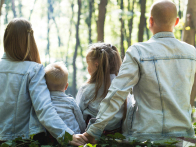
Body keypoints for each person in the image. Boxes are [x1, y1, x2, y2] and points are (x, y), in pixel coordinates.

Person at [81, 0, 196, 144]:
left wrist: (94, 130)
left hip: (144, 137)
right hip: (180, 137)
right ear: (177, 22)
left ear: (150, 21)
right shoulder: (192, 53)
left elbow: (117, 93)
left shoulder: (138, 51)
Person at [0, 18, 87, 146]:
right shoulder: (33, 69)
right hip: (27, 141)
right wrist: (67, 135)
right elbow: (44, 109)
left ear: (6, 37)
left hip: (0, 140)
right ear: (29, 40)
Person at [76, 43, 133, 135]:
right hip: (117, 136)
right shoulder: (124, 88)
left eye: (88, 64)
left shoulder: (86, 89)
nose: (87, 68)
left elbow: (78, 114)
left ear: (96, 65)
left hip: (91, 137)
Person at [44, 62, 86, 134]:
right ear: (66, 86)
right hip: (74, 137)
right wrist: (83, 132)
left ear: (45, 86)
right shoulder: (71, 102)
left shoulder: (43, 102)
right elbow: (80, 121)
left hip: (51, 139)